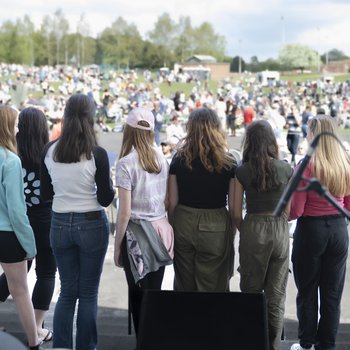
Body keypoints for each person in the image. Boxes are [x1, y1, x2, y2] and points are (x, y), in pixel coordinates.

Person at [40, 93, 115, 350]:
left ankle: (61, 346)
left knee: (67, 292)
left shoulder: (49, 151)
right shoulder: (97, 154)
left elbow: (46, 195)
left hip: (59, 223)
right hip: (92, 222)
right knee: (88, 293)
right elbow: (105, 199)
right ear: (90, 117)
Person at [289, 115, 350, 350]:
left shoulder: (307, 165)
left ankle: (306, 343)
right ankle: (327, 344)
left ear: (313, 134)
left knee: (307, 290)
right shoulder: (344, 163)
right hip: (338, 231)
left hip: (311, 230)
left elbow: (296, 209)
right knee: (332, 293)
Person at [233, 120, 293, 350]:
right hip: (279, 228)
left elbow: (236, 213)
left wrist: (247, 230)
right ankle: (273, 346)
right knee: (276, 295)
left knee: (250, 290)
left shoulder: (242, 171)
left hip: (253, 227)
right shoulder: (285, 168)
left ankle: (251, 343)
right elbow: (287, 210)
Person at [113, 107, 174, 336]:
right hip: (161, 232)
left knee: (138, 296)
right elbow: (168, 200)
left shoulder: (125, 163)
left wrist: (118, 246)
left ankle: (143, 340)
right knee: (154, 294)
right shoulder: (162, 159)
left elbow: (124, 212)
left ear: (128, 131)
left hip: (136, 237)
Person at [0, 107, 56, 344]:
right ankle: (36, 328)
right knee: (46, 272)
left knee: (16, 275)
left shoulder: (12, 155)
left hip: (16, 223)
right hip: (44, 221)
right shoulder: (51, 154)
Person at [168, 107, 237, 292]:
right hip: (216, 224)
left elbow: (172, 202)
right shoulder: (229, 163)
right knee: (214, 286)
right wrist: (232, 232)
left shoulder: (178, 159)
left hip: (183, 221)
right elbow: (233, 205)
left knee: (184, 284)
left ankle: (187, 320)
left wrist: (172, 226)